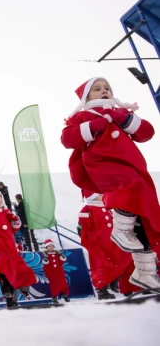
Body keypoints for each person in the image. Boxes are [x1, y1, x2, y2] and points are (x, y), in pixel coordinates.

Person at [61, 77, 160, 290]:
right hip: (103, 165)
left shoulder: (121, 115)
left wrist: (122, 118)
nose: (104, 91)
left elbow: (147, 132)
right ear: (86, 97)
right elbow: (67, 139)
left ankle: (145, 271)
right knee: (130, 187)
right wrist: (94, 126)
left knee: (143, 215)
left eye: (107, 88)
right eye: (97, 89)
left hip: (132, 166)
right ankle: (121, 231)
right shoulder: (83, 116)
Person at [41, 239, 70, 304]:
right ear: (46, 247)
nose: (50, 247)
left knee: (63, 284)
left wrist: (62, 257)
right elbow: (46, 265)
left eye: (52, 246)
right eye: (49, 246)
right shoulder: (45, 255)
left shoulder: (57, 254)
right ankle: (54, 297)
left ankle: (64, 295)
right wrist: (46, 261)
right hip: (51, 273)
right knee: (54, 285)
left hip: (59, 272)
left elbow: (61, 262)